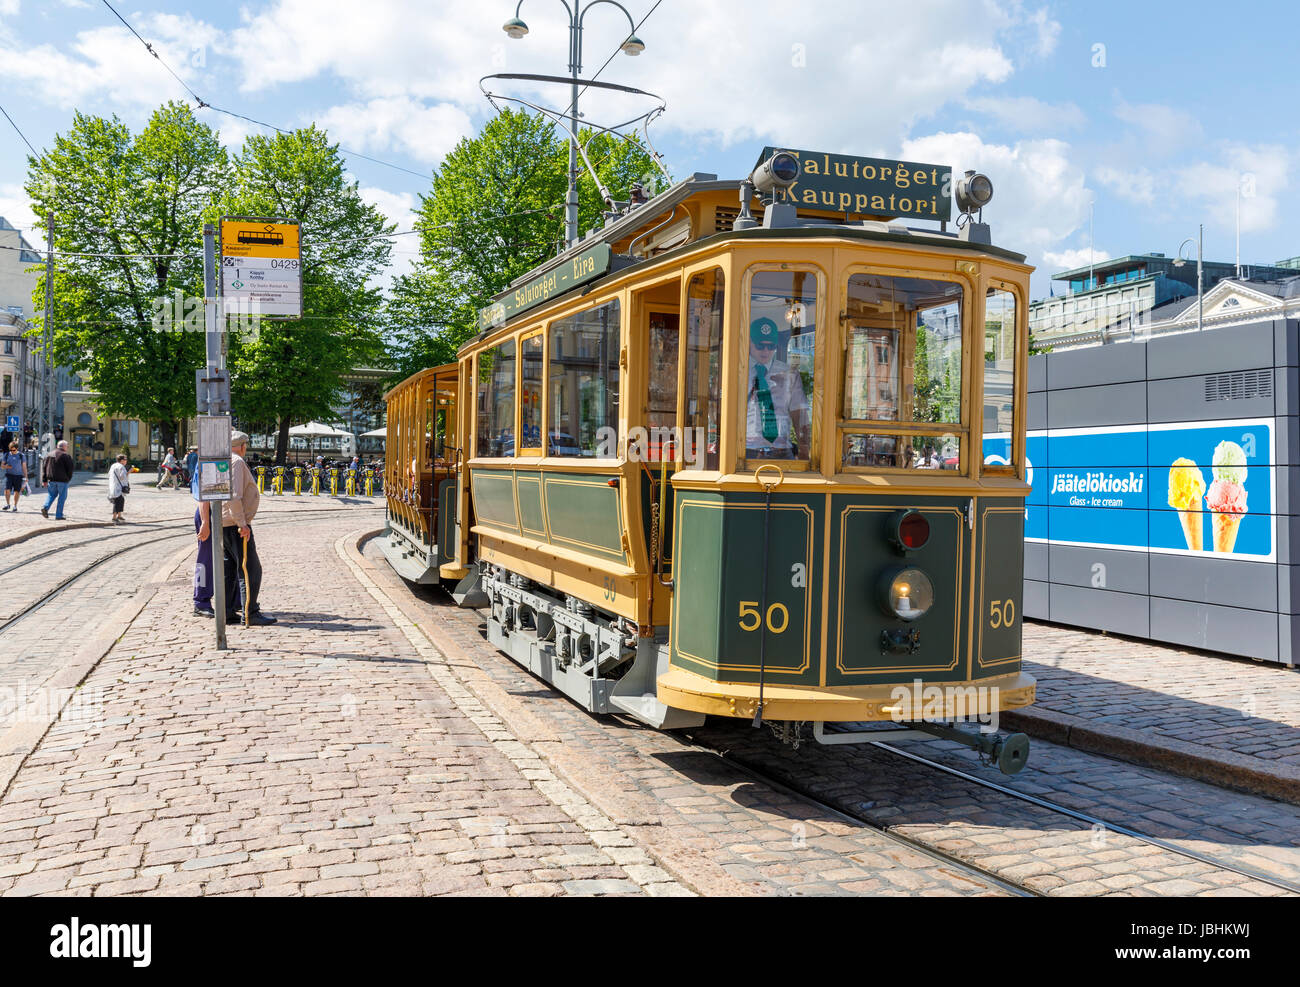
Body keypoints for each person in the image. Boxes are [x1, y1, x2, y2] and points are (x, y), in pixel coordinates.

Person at [221, 430, 275, 625]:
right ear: (243, 446)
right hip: (235, 523)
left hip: (224, 522)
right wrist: (242, 523)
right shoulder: (236, 462)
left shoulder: (224, 460)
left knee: (229, 569)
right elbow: (234, 495)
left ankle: (226, 611)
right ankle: (250, 612)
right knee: (250, 569)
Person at [745, 317, 810, 459]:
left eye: (771, 346)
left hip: (781, 451)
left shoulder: (789, 375)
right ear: (749, 342)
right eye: (760, 346)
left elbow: (799, 415)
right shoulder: (739, 373)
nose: (766, 351)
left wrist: (805, 451)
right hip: (746, 451)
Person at [40, 440, 74, 520]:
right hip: (62, 480)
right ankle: (59, 515)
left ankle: (45, 507)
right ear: (64, 447)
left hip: (51, 480)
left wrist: (44, 480)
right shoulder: (66, 456)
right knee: (62, 498)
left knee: (51, 495)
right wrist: (68, 478)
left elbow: (44, 468)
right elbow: (70, 469)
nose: (67, 447)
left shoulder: (49, 454)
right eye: (67, 446)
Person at [2, 440, 26, 511]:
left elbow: (24, 467)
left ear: (17, 448)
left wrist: (26, 477)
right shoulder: (6, 455)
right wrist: (6, 466)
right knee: (7, 490)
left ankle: (15, 506)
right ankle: (8, 504)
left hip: (18, 476)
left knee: (16, 491)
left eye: (14, 450)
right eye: (11, 450)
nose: (12, 451)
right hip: (9, 475)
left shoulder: (21, 455)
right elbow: (2, 466)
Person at [107, 453, 130, 523]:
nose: (126, 461)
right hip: (119, 487)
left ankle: (119, 515)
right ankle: (114, 518)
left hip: (113, 485)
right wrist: (129, 472)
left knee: (121, 500)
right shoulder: (121, 467)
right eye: (125, 459)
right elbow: (122, 477)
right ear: (122, 460)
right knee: (118, 502)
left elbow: (109, 474)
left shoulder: (113, 465)